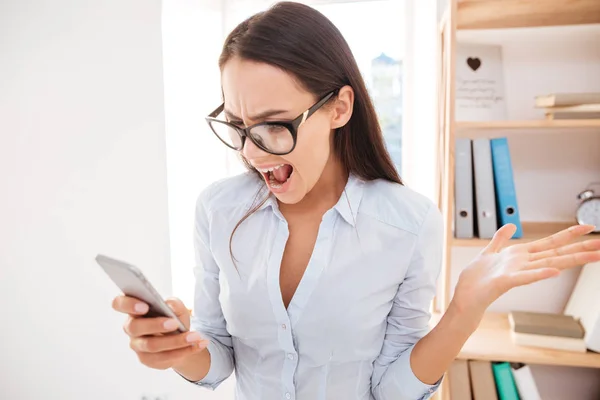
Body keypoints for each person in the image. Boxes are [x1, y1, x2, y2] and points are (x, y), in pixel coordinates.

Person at [112, 2, 600, 399]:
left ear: (339, 108)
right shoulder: (218, 210)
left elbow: (393, 390)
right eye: (237, 126)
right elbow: (218, 361)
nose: (250, 151)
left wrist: (463, 311)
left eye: (272, 125)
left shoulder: (408, 224)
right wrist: (179, 346)